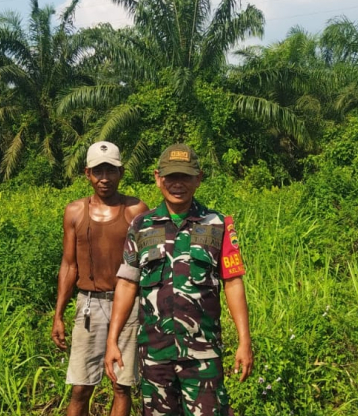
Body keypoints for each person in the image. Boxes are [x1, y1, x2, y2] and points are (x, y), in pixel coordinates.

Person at [104, 143, 253, 416]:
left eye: (185, 176)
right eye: (171, 176)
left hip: (203, 356)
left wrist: (245, 341)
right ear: (157, 177)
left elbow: (233, 282)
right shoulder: (141, 225)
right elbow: (127, 283)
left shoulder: (217, 224)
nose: (177, 184)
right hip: (154, 355)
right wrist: (112, 340)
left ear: (199, 178)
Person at [52, 141, 149, 416]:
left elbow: (149, 262)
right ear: (87, 173)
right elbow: (69, 265)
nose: (104, 179)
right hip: (89, 305)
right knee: (81, 386)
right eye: (98, 171)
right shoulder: (75, 211)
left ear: (121, 172)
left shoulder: (135, 210)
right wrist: (58, 314)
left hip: (127, 305)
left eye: (111, 171)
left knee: (121, 384)